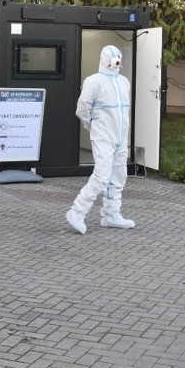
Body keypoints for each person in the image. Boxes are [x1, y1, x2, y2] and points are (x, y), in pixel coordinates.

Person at [65, 45, 136, 234]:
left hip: (121, 136)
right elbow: (82, 108)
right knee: (102, 175)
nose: (116, 60)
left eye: (118, 56)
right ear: (104, 58)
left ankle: (112, 214)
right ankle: (77, 211)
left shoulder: (123, 81)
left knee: (119, 175)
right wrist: (93, 126)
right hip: (103, 135)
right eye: (113, 57)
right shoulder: (94, 81)